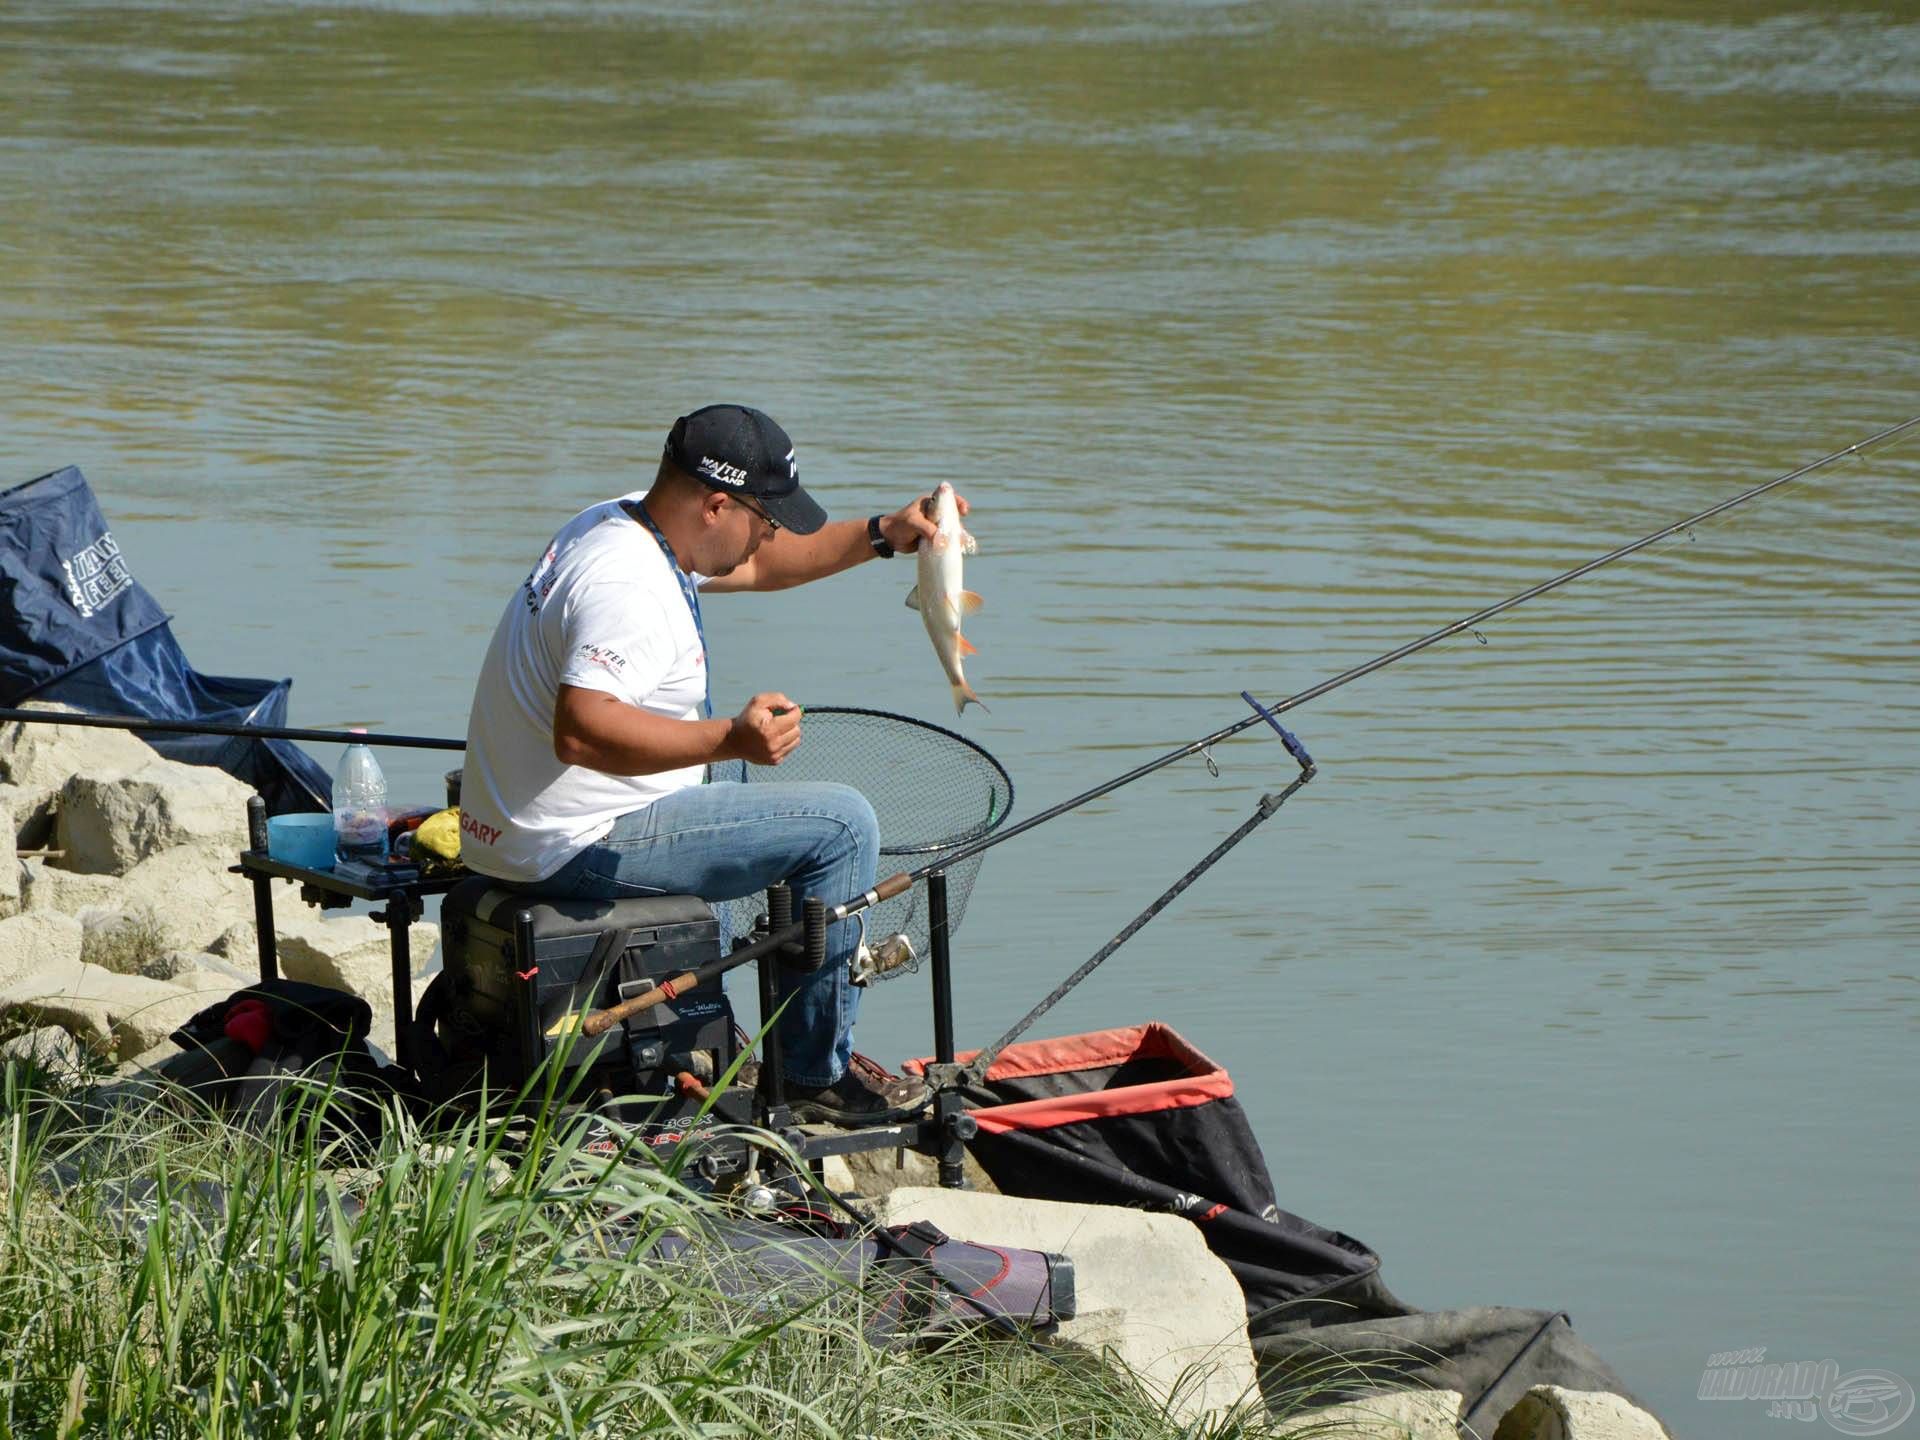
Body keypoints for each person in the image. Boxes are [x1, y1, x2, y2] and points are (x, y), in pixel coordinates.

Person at [459, 403, 966, 1125]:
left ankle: (706, 1021)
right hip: (566, 845)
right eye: (766, 517)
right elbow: (581, 732)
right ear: (716, 504)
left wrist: (884, 534)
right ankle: (814, 1075)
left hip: (518, 824)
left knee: (723, 777)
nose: (771, 533)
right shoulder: (628, 588)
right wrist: (731, 737)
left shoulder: (625, 523)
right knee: (843, 826)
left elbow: (759, 564)